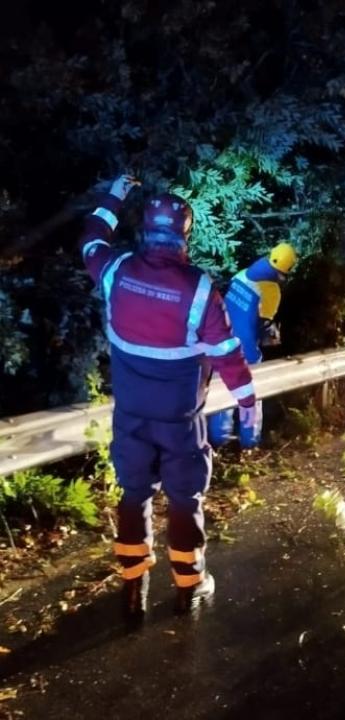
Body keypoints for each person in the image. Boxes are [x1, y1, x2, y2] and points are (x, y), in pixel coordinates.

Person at [79, 174, 257, 617]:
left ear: (144, 229)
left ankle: (133, 586)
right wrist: (248, 402)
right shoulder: (197, 288)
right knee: (184, 497)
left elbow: (91, 239)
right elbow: (226, 353)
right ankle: (189, 585)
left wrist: (113, 195)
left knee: (134, 492)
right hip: (180, 421)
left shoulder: (115, 271)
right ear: (184, 235)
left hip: (132, 417)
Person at [208, 243, 297, 449]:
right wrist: (270, 337)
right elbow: (261, 328)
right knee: (252, 398)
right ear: (285, 271)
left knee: (222, 396)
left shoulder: (240, 276)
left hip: (222, 345)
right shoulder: (271, 290)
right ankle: (250, 445)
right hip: (246, 352)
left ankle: (218, 444)